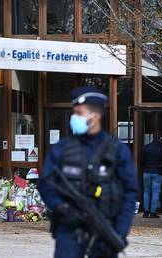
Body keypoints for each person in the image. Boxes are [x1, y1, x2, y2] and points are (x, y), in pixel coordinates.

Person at [38, 86, 138, 258]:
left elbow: (130, 193)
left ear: (95, 116)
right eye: (74, 113)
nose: (74, 117)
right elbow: (45, 184)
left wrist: (119, 231)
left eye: (79, 113)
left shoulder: (117, 150)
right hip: (69, 229)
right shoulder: (62, 148)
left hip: (105, 229)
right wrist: (60, 206)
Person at [141, 131, 162, 218]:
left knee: (146, 192)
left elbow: (141, 161)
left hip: (147, 171)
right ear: (160, 138)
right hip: (158, 172)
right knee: (155, 192)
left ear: (152, 138)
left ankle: (145, 212)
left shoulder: (146, 147)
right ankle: (153, 212)